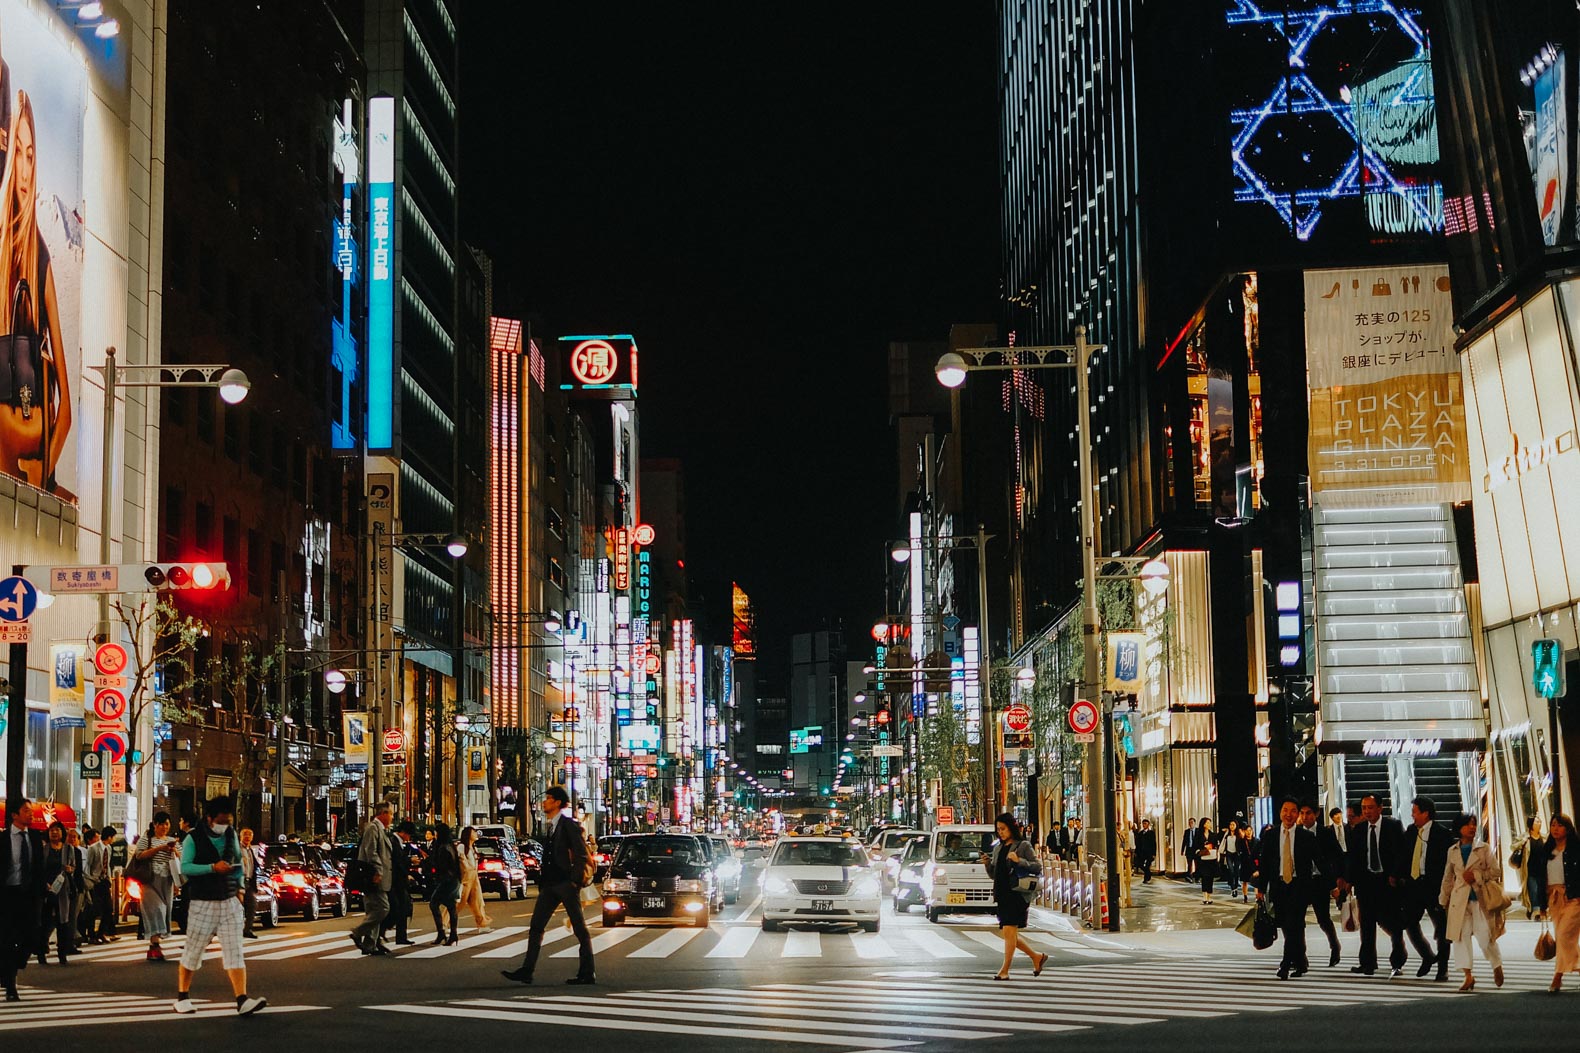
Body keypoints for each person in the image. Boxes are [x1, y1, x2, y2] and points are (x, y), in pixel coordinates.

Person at [0, 91, 72, 497]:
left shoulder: (39, 257)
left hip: (28, 453)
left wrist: (42, 480)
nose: (26, 169)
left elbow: (67, 412)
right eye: (19, 155)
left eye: (32, 155)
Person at [173, 797, 266, 1016]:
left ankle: (242, 999)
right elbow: (185, 867)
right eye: (221, 821)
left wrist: (240, 888)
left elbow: (237, 864)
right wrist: (212, 868)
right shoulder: (193, 838)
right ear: (210, 818)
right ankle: (182, 997)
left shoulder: (231, 834)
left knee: (235, 950)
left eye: (228, 820)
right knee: (193, 951)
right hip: (202, 901)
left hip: (229, 899)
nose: (225, 825)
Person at [502, 786, 595, 986]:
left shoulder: (568, 825)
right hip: (550, 884)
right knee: (536, 926)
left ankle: (588, 972)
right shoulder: (551, 825)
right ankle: (527, 970)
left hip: (565, 883)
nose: (545, 802)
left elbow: (580, 853)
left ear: (558, 803)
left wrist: (574, 881)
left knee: (579, 927)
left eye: (549, 798)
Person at [1336, 794, 1409, 976]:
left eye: (1370, 807)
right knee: (1367, 924)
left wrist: (1395, 875)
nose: (1367, 811)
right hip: (1366, 882)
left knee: (1393, 922)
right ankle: (1368, 963)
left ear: (1380, 808)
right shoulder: (1359, 829)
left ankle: (1397, 961)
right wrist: (1348, 880)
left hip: (1388, 882)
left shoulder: (1393, 826)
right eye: (1364, 808)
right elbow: (1353, 857)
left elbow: (1402, 853)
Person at [1436, 812, 1503, 993]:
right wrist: (1443, 899)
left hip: (1480, 899)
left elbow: (1496, 871)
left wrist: (1477, 876)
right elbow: (1448, 877)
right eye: (1467, 824)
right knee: (1460, 937)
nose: (1472, 827)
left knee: (1484, 937)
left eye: (1474, 824)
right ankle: (1468, 976)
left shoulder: (1484, 848)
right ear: (1459, 828)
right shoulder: (1453, 851)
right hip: (1459, 901)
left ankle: (1496, 964)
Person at [1257, 797, 1317, 980]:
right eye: (1285, 810)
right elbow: (1265, 864)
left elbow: (1319, 860)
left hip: (1299, 886)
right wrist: (1260, 889)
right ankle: (1301, 961)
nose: (1288, 814)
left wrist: (1333, 885)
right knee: (1289, 926)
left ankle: (1285, 965)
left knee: (1293, 924)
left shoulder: (1306, 836)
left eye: (1293, 811)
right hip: (1279, 886)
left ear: (1297, 815)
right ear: (1280, 812)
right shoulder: (1271, 835)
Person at [982, 813, 1048, 980]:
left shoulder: (1023, 845)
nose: (1001, 832)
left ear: (1011, 828)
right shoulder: (998, 848)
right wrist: (988, 864)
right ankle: (1036, 957)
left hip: (1017, 894)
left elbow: (1037, 867)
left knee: (1009, 932)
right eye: (998, 830)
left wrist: (1019, 860)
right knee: (1009, 934)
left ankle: (1004, 970)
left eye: (1003, 829)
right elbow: (995, 875)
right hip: (1002, 894)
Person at [1400, 796, 1451, 980]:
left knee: (1442, 929)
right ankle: (1428, 956)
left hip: (1434, 887)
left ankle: (1442, 968)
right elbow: (1405, 856)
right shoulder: (1411, 831)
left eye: (1415, 812)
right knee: (1409, 923)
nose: (1412, 816)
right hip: (1414, 885)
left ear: (1425, 813)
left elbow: (1448, 863)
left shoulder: (1442, 834)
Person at [1531, 812, 1580, 993]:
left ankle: (1557, 977)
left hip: (1574, 897)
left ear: (1567, 829)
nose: (1555, 829)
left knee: (1565, 935)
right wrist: (1541, 905)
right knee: (1564, 938)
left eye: (1559, 825)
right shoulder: (1547, 851)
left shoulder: (1575, 849)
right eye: (1553, 825)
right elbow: (1540, 879)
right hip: (1553, 897)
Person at [1, 801, 43, 1001]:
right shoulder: (3, 838)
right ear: (14, 815)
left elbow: (39, 868)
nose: (31, 814)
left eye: (31, 811)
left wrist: (42, 891)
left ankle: (13, 964)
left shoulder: (34, 837)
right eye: (26, 811)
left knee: (32, 937)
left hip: (29, 895)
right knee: (8, 940)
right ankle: (10, 986)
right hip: (8, 895)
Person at [1298, 802, 1342, 968]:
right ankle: (1300, 956)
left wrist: (1335, 882)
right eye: (1302, 813)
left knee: (1323, 919)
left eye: (1308, 813)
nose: (1304, 817)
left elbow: (1336, 855)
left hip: (1320, 881)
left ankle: (1334, 946)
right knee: (1297, 920)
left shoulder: (1325, 833)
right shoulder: (1298, 833)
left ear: (1316, 814)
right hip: (1302, 881)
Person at [133, 812, 179, 963]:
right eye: (161, 824)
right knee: (157, 909)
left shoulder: (173, 840)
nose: (164, 827)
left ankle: (154, 946)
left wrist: (174, 851)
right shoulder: (147, 839)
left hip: (167, 880)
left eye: (166, 824)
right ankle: (155, 944)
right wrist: (160, 849)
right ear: (155, 825)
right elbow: (139, 855)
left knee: (165, 910)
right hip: (149, 880)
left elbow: (182, 859)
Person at [348, 802, 393, 956]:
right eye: (391, 814)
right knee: (382, 908)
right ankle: (358, 932)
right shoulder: (373, 828)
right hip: (373, 876)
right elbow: (371, 852)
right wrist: (378, 870)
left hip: (378, 876)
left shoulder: (381, 829)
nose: (392, 817)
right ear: (383, 814)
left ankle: (369, 944)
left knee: (374, 909)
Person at [36, 820, 79, 965]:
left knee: (63, 922)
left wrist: (70, 870)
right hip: (47, 889)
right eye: (52, 830)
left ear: (62, 832)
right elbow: (39, 869)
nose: (54, 832)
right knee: (45, 921)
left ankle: (62, 953)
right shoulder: (44, 849)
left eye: (57, 830)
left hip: (63, 889)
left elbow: (74, 867)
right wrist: (44, 884)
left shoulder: (68, 849)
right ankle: (41, 952)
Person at [426, 824, 461, 946]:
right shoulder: (450, 845)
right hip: (454, 879)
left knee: (434, 903)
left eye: (436, 832)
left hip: (446, 880)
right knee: (451, 907)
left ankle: (442, 932)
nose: (435, 835)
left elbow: (441, 866)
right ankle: (453, 934)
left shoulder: (442, 848)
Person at [384, 821, 415, 946]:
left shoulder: (397, 842)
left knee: (403, 907)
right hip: (395, 881)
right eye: (409, 835)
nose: (409, 838)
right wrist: (409, 860)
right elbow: (397, 861)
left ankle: (401, 936)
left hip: (398, 880)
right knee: (397, 908)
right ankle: (383, 932)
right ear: (403, 832)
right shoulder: (393, 842)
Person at [457, 826, 494, 933]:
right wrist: (469, 870)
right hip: (466, 877)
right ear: (468, 834)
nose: (476, 834)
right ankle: (445, 923)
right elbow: (463, 862)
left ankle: (482, 924)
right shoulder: (461, 847)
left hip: (474, 877)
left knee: (477, 901)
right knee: (459, 902)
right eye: (474, 832)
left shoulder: (473, 848)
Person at [79, 827, 105, 944]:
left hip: (95, 882)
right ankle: (85, 933)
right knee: (87, 909)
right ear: (89, 839)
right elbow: (87, 867)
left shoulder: (100, 849)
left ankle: (90, 933)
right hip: (87, 883)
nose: (98, 839)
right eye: (96, 837)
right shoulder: (87, 850)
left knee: (92, 909)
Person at [1514, 816, 1543, 919]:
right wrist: (1523, 842)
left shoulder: (1543, 838)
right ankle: (1536, 911)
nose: (1539, 823)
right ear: (1531, 824)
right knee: (1533, 890)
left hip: (1542, 870)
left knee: (1540, 890)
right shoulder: (1525, 837)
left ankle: (1534, 909)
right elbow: (1513, 846)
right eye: (1536, 821)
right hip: (1529, 870)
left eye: (1539, 821)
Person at [102, 825, 125, 941]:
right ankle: (102, 933)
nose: (114, 839)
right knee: (104, 908)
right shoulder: (96, 847)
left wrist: (109, 877)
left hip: (105, 880)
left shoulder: (109, 848)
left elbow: (108, 864)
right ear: (109, 837)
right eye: (114, 836)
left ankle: (106, 933)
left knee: (108, 908)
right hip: (97, 881)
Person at [237, 828, 259, 939]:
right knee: (237, 907)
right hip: (239, 881)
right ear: (240, 836)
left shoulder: (250, 849)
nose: (247, 837)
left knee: (252, 905)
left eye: (250, 835)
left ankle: (247, 929)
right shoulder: (237, 849)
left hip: (249, 881)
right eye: (245, 834)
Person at [1196, 818, 1218, 903]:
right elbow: (1196, 845)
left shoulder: (1213, 835)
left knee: (1210, 878)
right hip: (1203, 859)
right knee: (1204, 877)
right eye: (1207, 823)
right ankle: (1204, 896)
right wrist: (1203, 847)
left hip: (1211, 858)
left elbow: (1216, 845)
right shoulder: (1198, 835)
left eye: (1210, 823)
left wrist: (1211, 846)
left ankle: (1209, 896)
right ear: (1203, 824)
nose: (1209, 824)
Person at [1221, 820, 1244, 899]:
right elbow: (1223, 842)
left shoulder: (1238, 834)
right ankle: (1232, 887)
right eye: (1230, 824)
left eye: (1233, 825)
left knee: (1236, 871)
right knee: (1231, 870)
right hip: (1228, 854)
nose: (1232, 826)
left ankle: (1236, 886)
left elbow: (1242, 842)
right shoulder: (1227, 834)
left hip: (1236, 854)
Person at [1135, 819, 1157, 883]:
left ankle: (1146, 878)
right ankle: (1148, 873)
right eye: (1143, 823)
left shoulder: (1151, 833)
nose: (1144, 825)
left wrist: (1154, 853)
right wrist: (1136, 852)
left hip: (1149, 853)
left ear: (1148, 824)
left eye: (1145, 823)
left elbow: (1153, 843)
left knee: (1147, 865)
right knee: (1140, 865)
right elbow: (1138, 844)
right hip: (1141, 853)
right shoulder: (1140, 833)